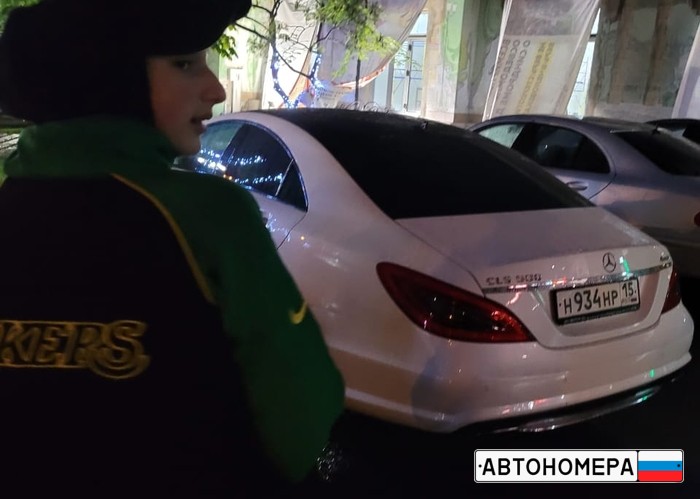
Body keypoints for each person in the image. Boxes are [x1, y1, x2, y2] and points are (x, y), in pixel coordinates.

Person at [0, 0, 345, 497]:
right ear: (111, 79)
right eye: (184, 64)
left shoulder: (12, 205)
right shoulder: (208, 213)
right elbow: (300, 405)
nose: (216, 89)